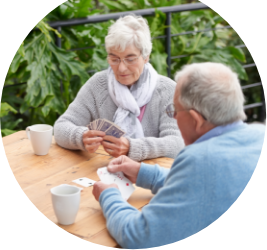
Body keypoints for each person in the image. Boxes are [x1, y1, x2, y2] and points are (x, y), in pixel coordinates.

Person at [92, 62, 265, 249]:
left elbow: (139, 237)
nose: (173, 117)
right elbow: (204, 186)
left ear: (196, 120)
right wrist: (144, 173)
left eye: (174, 111)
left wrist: (109, 196)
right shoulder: (259, 134)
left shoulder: (200, 158)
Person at [53, 15, 184, 161]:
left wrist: (133, 147)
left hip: (153, 176)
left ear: (146, 57)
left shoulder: (168, 90)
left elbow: (177, 143)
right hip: (105, 172)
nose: (121, 68)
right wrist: (81, 137)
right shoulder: (98, 84)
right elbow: (61, 126)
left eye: (130, 59)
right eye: (114, 59)